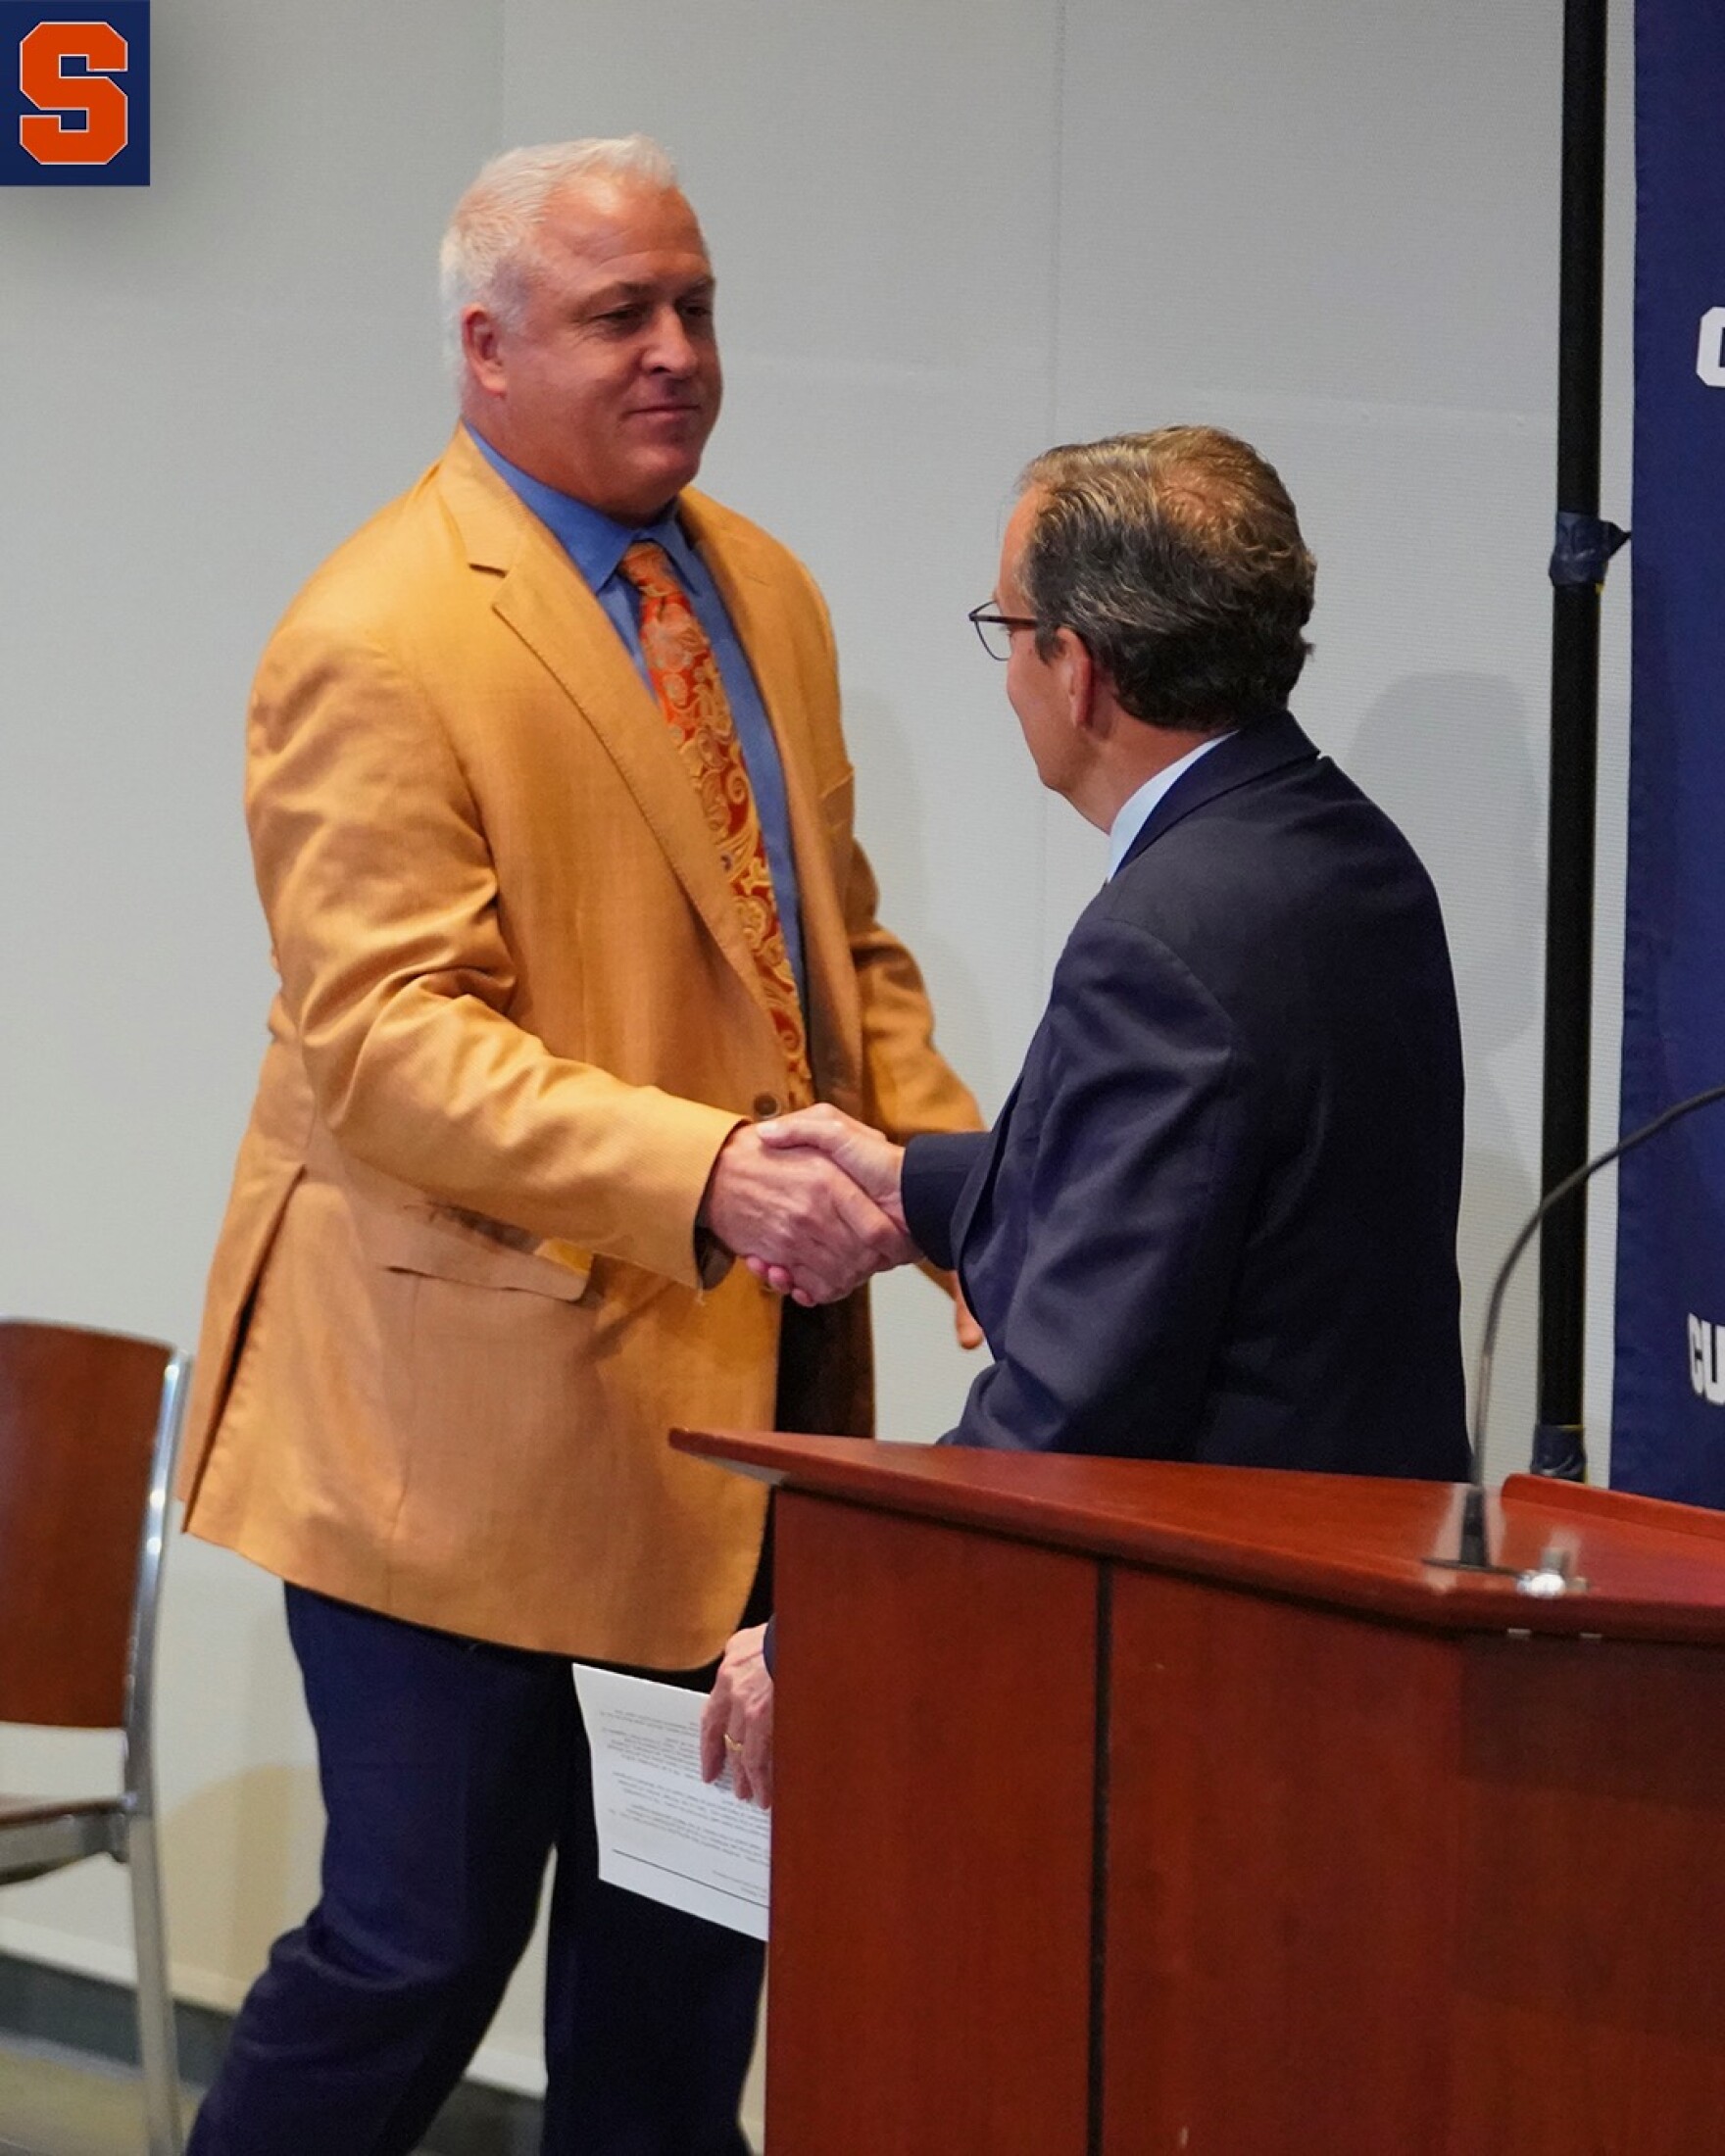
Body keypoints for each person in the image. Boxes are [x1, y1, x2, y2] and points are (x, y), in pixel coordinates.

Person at [176, 136, 978, 2156]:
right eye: (623, 313)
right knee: (415, 1951)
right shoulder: (371, 631)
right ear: (485, 345)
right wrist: (710, 1170)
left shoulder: (762, 585)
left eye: (696, 305)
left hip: (742, 1431)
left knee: (679, 1991)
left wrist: (974, 1196)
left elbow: (833, 946)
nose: (678, 355)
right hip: (455, 1449)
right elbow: (388, 1043)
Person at [703, 424, 1470, 1806]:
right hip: (1362, 1636)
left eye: (1011, 632)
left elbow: (1075, 1400)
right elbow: (1213, 1188)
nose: (1009, 679)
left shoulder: (1164, 937)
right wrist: (910, 1186)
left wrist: (828, 1618)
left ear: (1081, 669)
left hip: (1208, 1676)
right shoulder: (1342, 848)